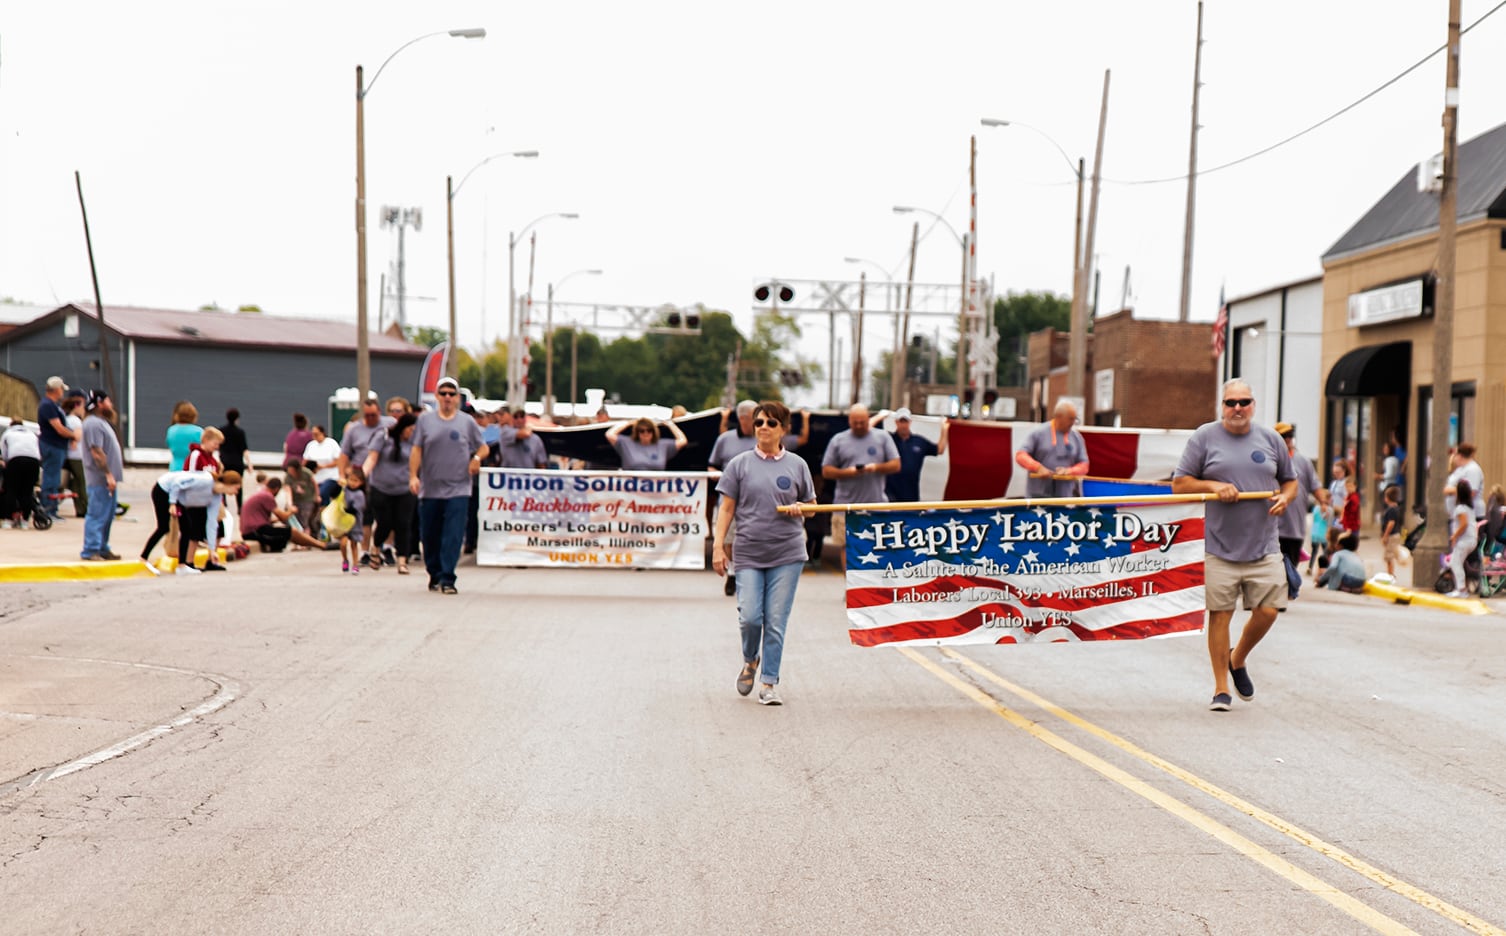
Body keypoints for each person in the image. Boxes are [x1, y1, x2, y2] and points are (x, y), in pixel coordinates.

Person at [1171, 379, 1298, 713]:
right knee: (1221, 615)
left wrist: (1285, 498)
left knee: (1269, 610)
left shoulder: (1270, 439)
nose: (1238, 409)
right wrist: (1213, 485)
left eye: (1244, 402)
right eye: (1231, 403)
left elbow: (1290, 480)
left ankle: (1237, 658)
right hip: (1219, 545)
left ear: (1253, 405)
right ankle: (1221, 689)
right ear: (1222, 406)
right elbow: (1179, 484)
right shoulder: (1204, 437)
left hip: (1264, 543)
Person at [712, 401, 815, 706]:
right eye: (759, 423)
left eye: (771, 423)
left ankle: (769, 682)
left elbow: (811, 505)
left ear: (784, 429)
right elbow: (726, 508)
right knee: (751, 618)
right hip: (749, 552)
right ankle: (749, 660)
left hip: (788, 552)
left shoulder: (797, 465)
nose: (764, 428)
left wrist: (802, 508)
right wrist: (718, 546)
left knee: (776, 620)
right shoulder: (739, 464)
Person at [409, 376, 488, 594]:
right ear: (436, 396)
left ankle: (448, 577)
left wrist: (476, 459)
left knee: (453, 535)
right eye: (443, 393)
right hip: (431, 487)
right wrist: (413, 476)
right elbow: (416, 450)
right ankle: (434, 572)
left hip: (459, 488)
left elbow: (483, 447)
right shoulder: (425, 421)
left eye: (451, 394)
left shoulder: (466, 422)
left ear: (457, 398)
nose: (447, 398)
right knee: (430, 535)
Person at [821, 403, 900, 570]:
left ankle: (872, 588)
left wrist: (876, 467)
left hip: (876, 505)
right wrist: (847, 472)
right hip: (845, 506)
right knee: (847, 547)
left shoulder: (882, 437)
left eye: (862, 422)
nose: (858, 426)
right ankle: (850, 588)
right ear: (849, 421)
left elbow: (896, 464)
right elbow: (826, 471)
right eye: (855, 422)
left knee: (878, 547)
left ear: (868, 420)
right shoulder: (838, 440)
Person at [141, 469, 242, 574]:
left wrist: (212, 550)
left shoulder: (216, 497)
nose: (236, 493)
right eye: (236, 488)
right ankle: (143, 558)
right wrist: (172, 503)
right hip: (164, 489)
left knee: (187, 530)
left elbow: (212, 523)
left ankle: (181, 566)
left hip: (179, 499)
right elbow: (177, 483)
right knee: (163, 527)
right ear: (229, 484)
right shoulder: (205, 480)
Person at [340, 393, 396, 565]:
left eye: (374, 415)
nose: (371, 418)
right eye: (367, 415)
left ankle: (386, 547)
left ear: (379, 412)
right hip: (361, 479)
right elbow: (344, 454)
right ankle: (364, 550)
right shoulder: (354, 430)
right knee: (364, 516)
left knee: (387, 516)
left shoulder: (390, 425)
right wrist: (342, 476)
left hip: (385, 477)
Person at [363, 412, 418, 574]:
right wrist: (361, 477)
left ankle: (402, 560)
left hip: (405, 489)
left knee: (403, 524)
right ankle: (376, 547)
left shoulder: (415, 442)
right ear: (403, 428)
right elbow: (372, 458)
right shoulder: (384, 436)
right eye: (410, 429)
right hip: (381, 488)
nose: (412, 433)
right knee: (385, 522)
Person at [1273, 422, 1320, 596]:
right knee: (1273, 564)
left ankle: (1285, 592)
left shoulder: (1303, 462)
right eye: (1283, 437)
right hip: (1273, 524)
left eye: (1289, 437)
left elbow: (1315, 486)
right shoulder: (1269, 459)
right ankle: (1277, 595)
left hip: (1295, 526)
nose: (1288, 440)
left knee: (1290, 564)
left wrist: (1323, 502)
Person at [79, 391, 125, 561]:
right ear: (99, 403)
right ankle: (90, 550)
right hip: (100, 480)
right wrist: (108, 475)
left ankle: (102, 547)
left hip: (107, 480)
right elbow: (97, 452)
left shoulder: (101, 422)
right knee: (97, 514)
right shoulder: (92, 424)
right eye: (108, 400)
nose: (111, 403)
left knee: (107, 514)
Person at [1014, 399, 1088, 497]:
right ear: (1058, 416)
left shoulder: (1076, 437)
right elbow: (1021, 456)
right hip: (1038, 496)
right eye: (1070, 419)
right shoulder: (1039, 433)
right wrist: (1038, 468)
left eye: (1075, 419)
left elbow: (1084, 465)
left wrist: (1069, 471)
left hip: (1066, 497)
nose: (1073, 422)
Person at [238, 476, 330, 553]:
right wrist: (291, 511)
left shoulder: (261, 494)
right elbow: (283, 517)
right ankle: (321, 545)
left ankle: (318, 544)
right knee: (291, 531)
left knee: (282, 539)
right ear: (277, 489)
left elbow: (268, 520)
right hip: (254, 531)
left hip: (252, 529)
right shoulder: (267, 496)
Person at [886, 407, 948, 503]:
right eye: (901, 421)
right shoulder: (888, 439)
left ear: (910, 422)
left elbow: (939, 449)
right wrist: (880, 416)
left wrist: (944, 430)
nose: (903, 425)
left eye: (905, 421)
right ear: (896, 422)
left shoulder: (919, 442)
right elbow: (869, 432)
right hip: (890, 497)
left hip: (911, 497)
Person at [37, 376, 77, 521]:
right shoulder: (48, 405)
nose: (63, 393)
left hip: (57, 446)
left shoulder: (53, 405)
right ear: (56, 389)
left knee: (54, 478)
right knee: (51, 478)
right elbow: (59, 428)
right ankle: (47, 509)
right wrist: (74, 436)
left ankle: (52, 509)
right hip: (52, 445)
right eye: (61, 389)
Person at [1, 419, 42, 527]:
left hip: (16, 460)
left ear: (11, 425)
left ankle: (8, 520)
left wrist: (6, 463)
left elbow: (4, 452)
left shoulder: (8, 433)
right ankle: (25, 521)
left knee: (11, 490)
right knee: (27, 492)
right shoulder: (31, 434)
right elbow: (37, 450)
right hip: (33, 461)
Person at [607, 416, 688, 469]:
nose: (646, 433)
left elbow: (682, 441)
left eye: (649, 430)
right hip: (630, 490)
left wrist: (670, 424)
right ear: (637, 432)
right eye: (642, 431)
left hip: (656, 491)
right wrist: (629, 423)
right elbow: (609, 434)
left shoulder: (663, 445)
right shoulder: (626, 442)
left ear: (653, 432)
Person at [1445, 478, 1479, 598]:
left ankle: (1461, 589)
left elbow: (1463, 524)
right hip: (1471, 540)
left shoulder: (1460, 509)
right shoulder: (1469, 508)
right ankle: (1460, 588)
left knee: (1455, 563)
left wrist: (1454, 536)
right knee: (1457, 562)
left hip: (1464, 541)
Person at [337, 466, 369, 574]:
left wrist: (348, 509)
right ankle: (345, 559)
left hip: (354, 522)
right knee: (343, 543)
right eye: (351, 480)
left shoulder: (360, 494)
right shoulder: (344, 490)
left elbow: (358, 508)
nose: (353, 483)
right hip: (343, 522)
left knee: (354, 544)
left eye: (356, 481)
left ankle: (355, 564)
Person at [219, 408, 251, 511]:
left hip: (224, 461)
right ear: (237, 418)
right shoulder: (240, 432)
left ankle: (224, 504)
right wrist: (249, 463)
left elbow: (219, 447)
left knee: (223, 482)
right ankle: (239, 507)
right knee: (238, 484)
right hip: (237, 462)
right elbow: (244, 449)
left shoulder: (222, 430)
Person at [62, 393, 88, 517]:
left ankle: (79, 507)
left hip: (69, 455)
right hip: (77, 456)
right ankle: (85, 507)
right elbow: (77, 436)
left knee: (74, 484)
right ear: (76, 406)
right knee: (81, 482)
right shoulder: (75, 421)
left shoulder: (66, 419)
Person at [1445, 442, 1486, 521]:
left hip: (1470, 515)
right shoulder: (1460, 469)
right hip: (1457, 515)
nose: (1453, 458)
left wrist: (1448, 490)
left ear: (1459, 456)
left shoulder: (1472, 469)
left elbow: (1471, 492)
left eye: (1454, 455)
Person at [303, 424, 342, 505]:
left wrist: (323, 466)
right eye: (313, 434)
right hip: (315, 477)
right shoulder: (311, 445)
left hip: (331, 476)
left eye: (316, 434)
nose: (315, 436)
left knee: (323, 493)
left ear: (322, 433)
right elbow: (305, 461)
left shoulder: (331, 443)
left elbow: (338, 461)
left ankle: (324, 509)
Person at [166, 401, 203, 471]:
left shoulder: (171, 430)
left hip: (175, 467)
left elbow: (169, 444)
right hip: (192, 467)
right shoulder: (198, 431)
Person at [1379, 485, 1402, 578]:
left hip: (1392, 535)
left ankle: (1390, 574)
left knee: (1389, 556)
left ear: (1388, 498)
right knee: (1389, 554)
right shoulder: (1396, 508)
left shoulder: (1391, 509)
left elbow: (1391, 523)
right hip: (1395, 534)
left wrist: (1385, 535)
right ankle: (1390, 573)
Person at [1307, 492, 1329, 577]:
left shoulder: (1319, 509)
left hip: (1319, 534)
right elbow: (1322, 518)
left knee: (1319, 552)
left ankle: (1315, 567)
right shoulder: (1320, 509)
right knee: (1319, 552)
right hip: (1319, 534)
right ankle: (1314, 568)